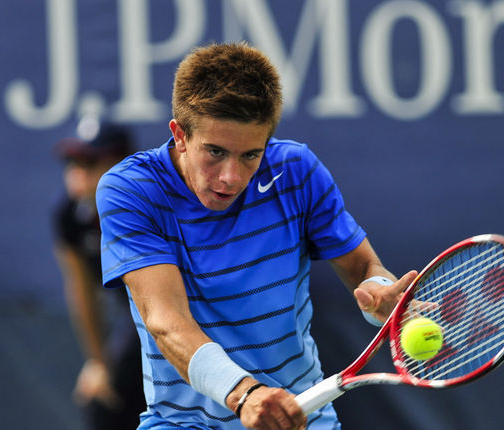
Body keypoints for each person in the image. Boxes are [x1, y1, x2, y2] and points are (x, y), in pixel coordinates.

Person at [96, 42, 417, 430]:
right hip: (184, 424)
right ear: (179, 135)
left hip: (301, 418)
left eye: (250, 155)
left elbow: (364, 266)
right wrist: (245, 394)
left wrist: (380, 293)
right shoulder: (130, 190)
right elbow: (166, 321)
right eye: (214, 151)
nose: (231, 177)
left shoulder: (296, 170)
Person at [52, 117, 146, 430]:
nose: (77, 173)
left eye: (91, 162)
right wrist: (98, 363)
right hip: (141, 317)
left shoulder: (152, 207)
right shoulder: (69, 217)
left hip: (195, 315)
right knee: (102, 396)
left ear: (123, 164)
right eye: (72, 162)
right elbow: (81, 293)